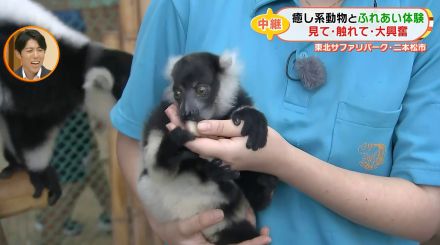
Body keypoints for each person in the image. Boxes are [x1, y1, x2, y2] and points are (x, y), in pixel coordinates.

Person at [110, 0, 440, 244]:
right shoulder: (186, 6)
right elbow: (133, 134)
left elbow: (427, 212)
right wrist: (167, 224)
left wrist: (283, 162)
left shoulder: (423, 18)